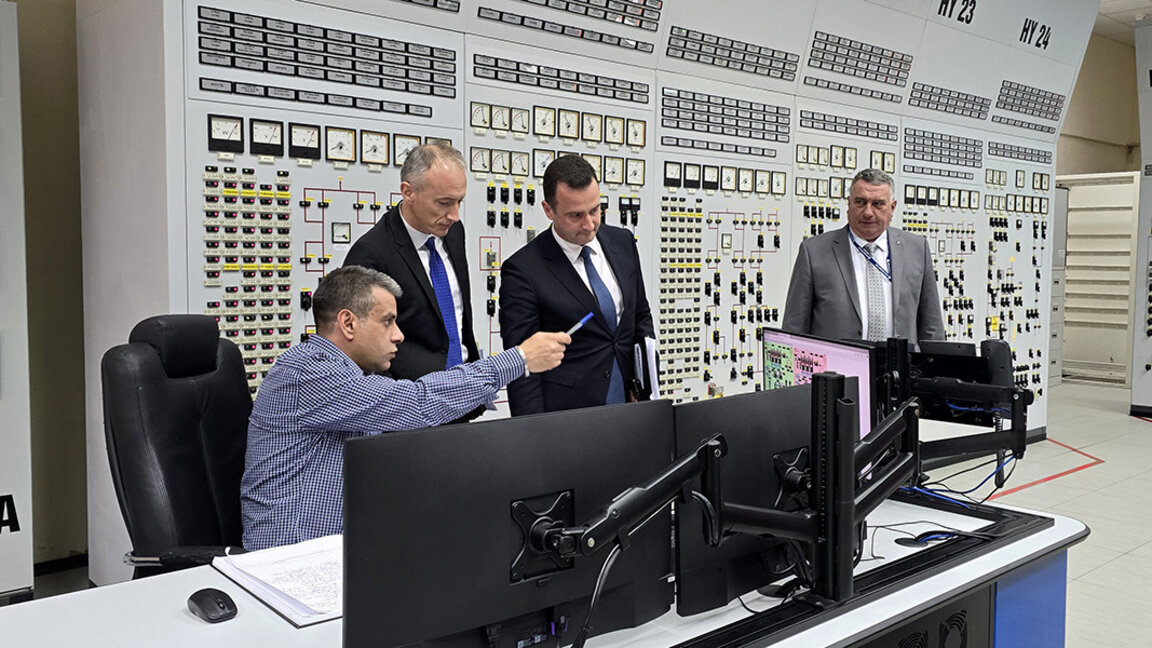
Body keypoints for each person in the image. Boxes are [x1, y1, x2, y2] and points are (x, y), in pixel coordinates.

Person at [240, 265, 570, 550]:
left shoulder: (351, 376)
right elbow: (418, 401)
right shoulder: (311, 372)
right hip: (289, 562)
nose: (398, 336)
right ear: (348, 323)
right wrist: (518, 360)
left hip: (335, 553)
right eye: (388, 322)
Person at [499, 155, 654, 415]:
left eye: (595, 210)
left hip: (629, 406)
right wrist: (530, 434)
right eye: (576, 215)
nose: (589, 224)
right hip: (569, 416)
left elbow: (640, 317)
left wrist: (646, 387)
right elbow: (523, 365)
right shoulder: (523, 270)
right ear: (549, 210)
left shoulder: (623, 242)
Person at [342, 143, 480, 411]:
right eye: (444, 202)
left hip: (462, 396)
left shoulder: (452, 231)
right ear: (408, 192)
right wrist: (396, 404)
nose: (454, 214)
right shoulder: (371, 254)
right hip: (410, 408)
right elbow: (359, 348)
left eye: (459, 201)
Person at [782, 168, 943, 349]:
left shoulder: (917, 248)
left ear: (892, 208)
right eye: (860, 202)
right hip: (838, 372)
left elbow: (932, 326)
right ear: (848, 204)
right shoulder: (814, 251)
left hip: (899, 371)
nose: (868, 212)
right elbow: (794, 328)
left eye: (878, 204)